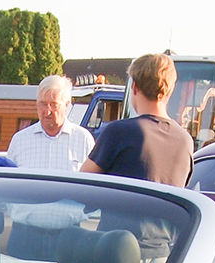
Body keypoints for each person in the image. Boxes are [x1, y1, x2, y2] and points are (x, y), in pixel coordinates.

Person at [81, 53, 192, 184]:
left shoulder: (119, 132)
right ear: (171, 89)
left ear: (134, 87)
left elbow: (83, 182)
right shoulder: (185, 141)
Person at [7, 75, 95, 172]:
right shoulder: (20, 140)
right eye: (42, 104)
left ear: (67, 104)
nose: (47, 111)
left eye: (53, 105)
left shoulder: (83, 139)